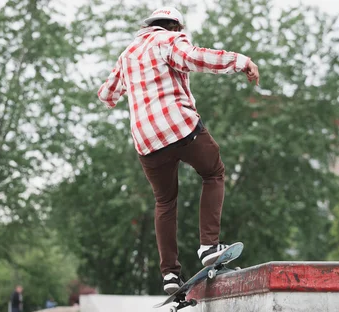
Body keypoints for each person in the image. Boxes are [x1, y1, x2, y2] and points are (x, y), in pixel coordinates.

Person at [97, 7, 259, 294]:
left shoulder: (127, 55)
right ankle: (209, 247)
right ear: (173, 25)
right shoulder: (169, 40)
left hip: (147, 142)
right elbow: (195, 58)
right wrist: (240, 61)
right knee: (214, 172)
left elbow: (107, 95)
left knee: (165, 202)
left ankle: (169, 276)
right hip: (179, 127)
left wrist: (133, 87)